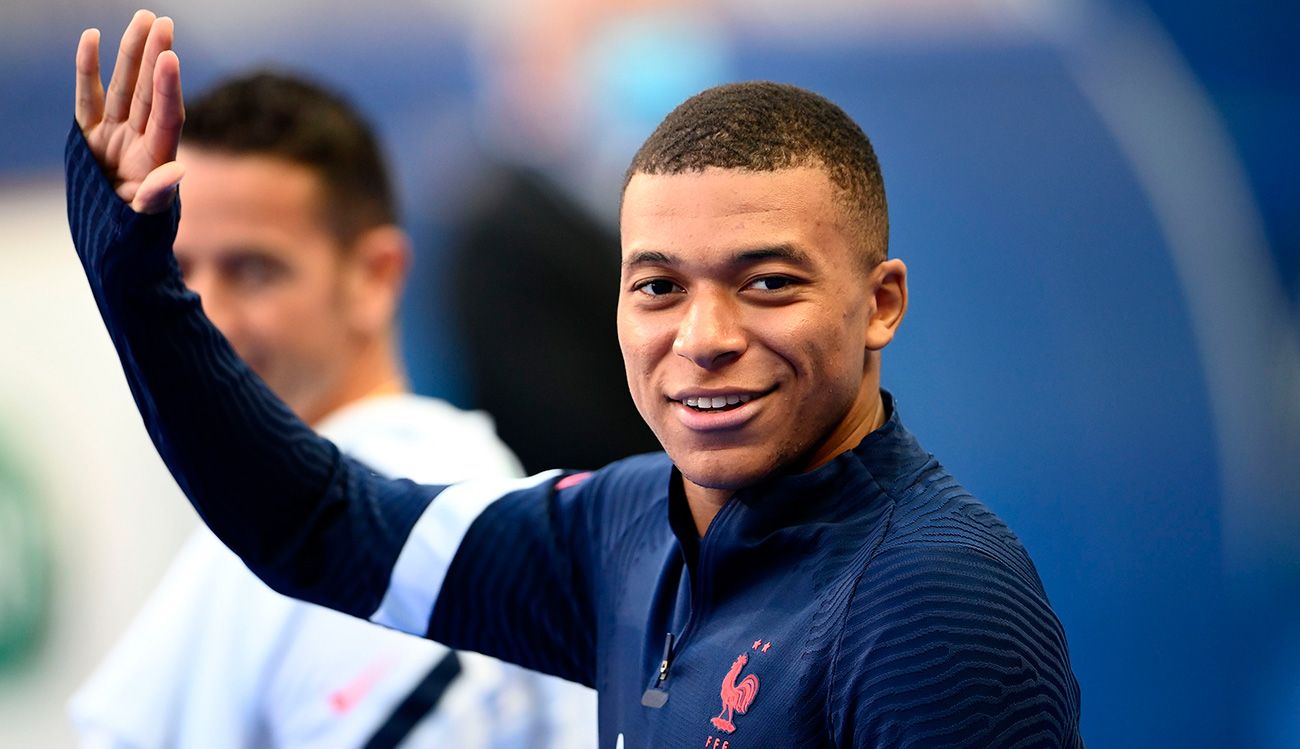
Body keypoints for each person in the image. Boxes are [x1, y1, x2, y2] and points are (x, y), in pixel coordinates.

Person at [66, 12, 1083, 747]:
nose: (704, 335)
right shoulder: (624, 529)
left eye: (767, 282)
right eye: (658, 287)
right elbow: (320, 522)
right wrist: (141, 294)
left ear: (882, 303)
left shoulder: (936, 600)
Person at [66, 63, 596, 749]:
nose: (204, 312)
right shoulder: (267, 515)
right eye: (177, 269)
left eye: (253, 270)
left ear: (374, 278)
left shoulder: (410, 512)